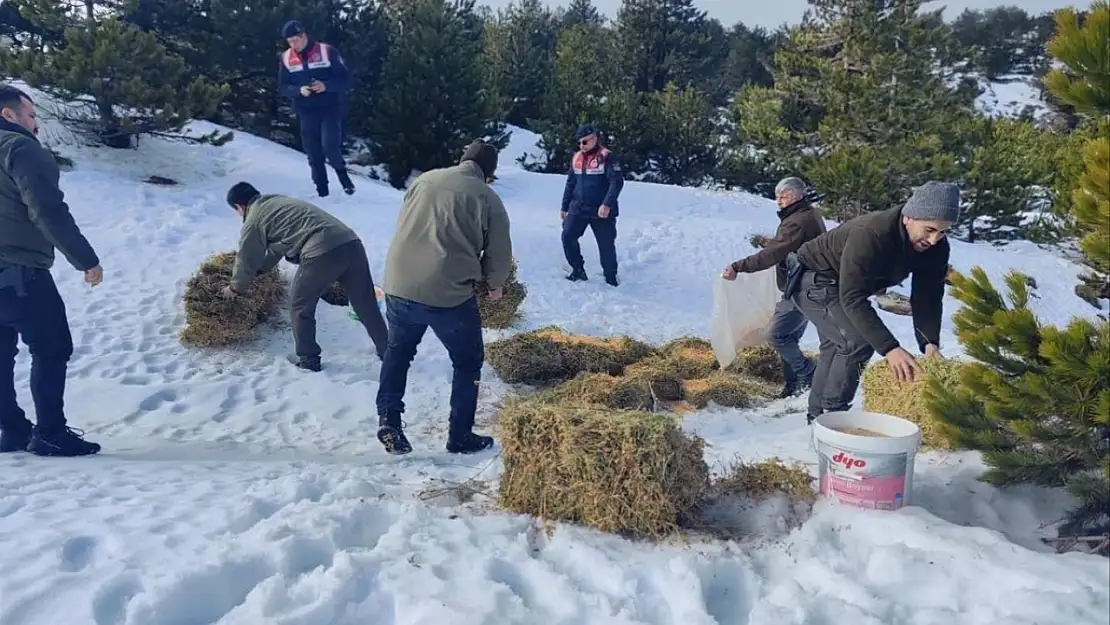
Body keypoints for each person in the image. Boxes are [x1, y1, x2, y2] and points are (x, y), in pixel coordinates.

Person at [375, 140, 512, 456]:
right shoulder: (488, 199)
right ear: (488, 173)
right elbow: (499, 252)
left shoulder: (425, 179)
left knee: (398, 351)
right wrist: (495, 285)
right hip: (446, 293)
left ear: (462, 159)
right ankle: (460, 435)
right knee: (467, 360)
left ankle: (389, 420)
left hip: (398, 282)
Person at [783, 181, 958, 424]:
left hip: (842, 284)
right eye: (929, 229)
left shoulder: (936, 248)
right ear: (908, 217)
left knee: (835, 347)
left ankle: (817, 417)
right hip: (813, 278)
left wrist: (930, 343)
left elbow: (927, 297)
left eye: (943, 232)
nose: (934, 239)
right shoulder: (872, 233)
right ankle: (835, 417)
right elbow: (853, 296)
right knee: (855, 342)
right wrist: (890, 348)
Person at [0, 85, 103, 457]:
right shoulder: (20, 148)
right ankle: (49, 433)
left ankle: (11, 429)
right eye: (31, 116)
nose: (36, 124)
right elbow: (46, 210)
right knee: (52, 347)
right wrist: (85, 259)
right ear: (9, 115)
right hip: (20, 272)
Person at [220, 183, 387, 371]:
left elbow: (246, 256)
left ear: (239, 207)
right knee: (365, 303)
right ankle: (388, 351)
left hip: (322, 251)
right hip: (351, 243)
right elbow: (278, 247)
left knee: (299, 306)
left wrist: (235, 287)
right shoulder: (278, 203)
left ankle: (309, 360)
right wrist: (261, 270)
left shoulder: (254, 219)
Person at [723, 176, 826, 398]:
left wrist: (738, 266)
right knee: (789, 338)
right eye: (777, 196)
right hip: (808, 284)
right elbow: (787, 245)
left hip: (802, 287)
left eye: (784, 196)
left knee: (776, 335)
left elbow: (773, 255)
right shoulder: (806, 215)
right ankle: (792, 386)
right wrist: (773, 244)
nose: (778, 200)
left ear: (798, 195)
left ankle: (808, 373)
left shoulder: (797, 222)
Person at [277, 19, 355, 198]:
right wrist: (298, 90)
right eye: (289, 41)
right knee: (312, 152)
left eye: (295, 40)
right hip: (306, 110)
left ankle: (344, 178)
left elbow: (345, 80)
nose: (293, 45)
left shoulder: (326, 51)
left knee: (330, 147)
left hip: (330, 107)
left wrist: (326, 86)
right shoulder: (286, 58)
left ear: (304, 36)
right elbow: (283, 86)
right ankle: (322, 191)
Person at [560, 123, 624, 286]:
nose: (582, 146)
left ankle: (610, 276)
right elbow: (570, 183)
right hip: (579, 207)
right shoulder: (576, 157)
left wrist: (607, 204)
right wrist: (564, 206)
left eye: (585, 142)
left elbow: (616, 182)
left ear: (595, 138)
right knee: (567, 236)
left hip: (601, 210)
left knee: (606, 244)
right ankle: (578, 270)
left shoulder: (607, 157)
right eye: (580, 142)